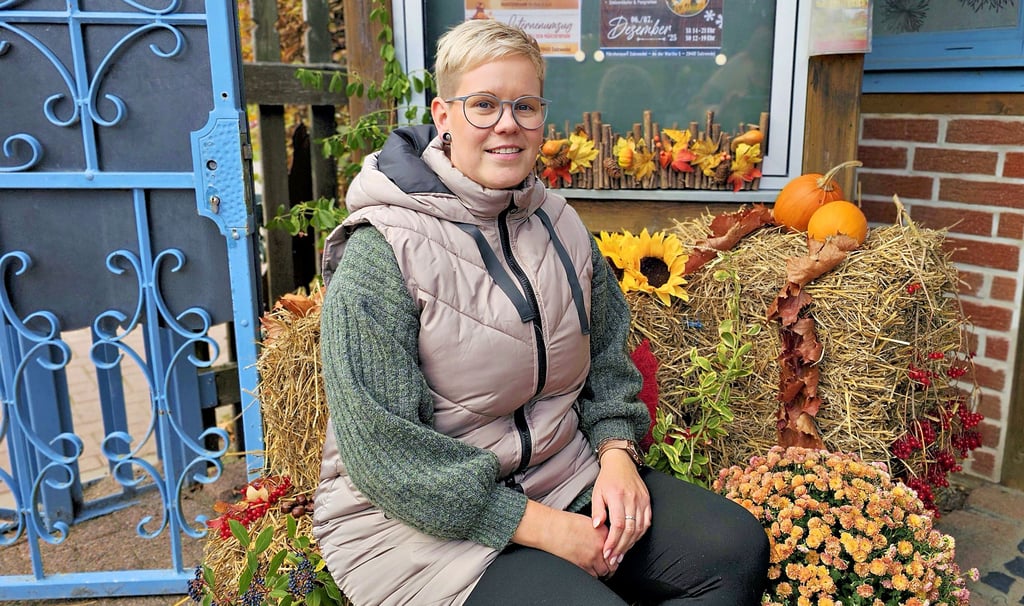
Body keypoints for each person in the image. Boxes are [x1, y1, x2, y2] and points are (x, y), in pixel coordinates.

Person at [312, 18, 769, 606]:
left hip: (563, 477)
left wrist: (616, 455)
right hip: (423, 528)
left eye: (524, 106)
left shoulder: (560, 224)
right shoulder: (382, 252)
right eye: (483, 105)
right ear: (443, 115)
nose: (507, 123)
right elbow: (387, 456)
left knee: (732, 549)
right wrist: (551, 532)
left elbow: (607, 359)